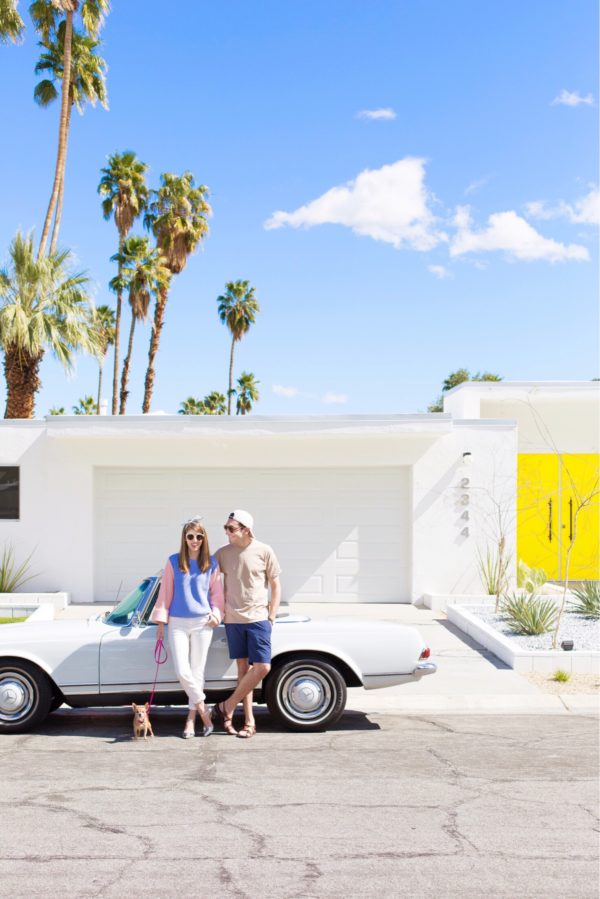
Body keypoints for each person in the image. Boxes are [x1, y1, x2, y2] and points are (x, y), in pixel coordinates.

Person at [151, 516, 224, 738]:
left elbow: (217, 594)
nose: (194, 540)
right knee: (182, 671)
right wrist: (161, 622)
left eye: (199, 536)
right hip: (177, 623)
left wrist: (217, 614)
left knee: (197, 672)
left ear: (204, 539)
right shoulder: (173, 561)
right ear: (184, 538)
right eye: (190, 536)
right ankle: (204, 712)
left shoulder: (211, 564)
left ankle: (191, 719)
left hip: (203, 623)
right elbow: (165, 594)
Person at [212, 509, 281, 739]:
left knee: (262, 667)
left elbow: (275, 584)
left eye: (231, 528)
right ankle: (249, 722)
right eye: (226, 527)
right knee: (242, 670)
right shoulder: (222, 554)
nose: (227, 532)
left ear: (246, 529)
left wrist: (271, 616)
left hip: (259, 619)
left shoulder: (264, 551)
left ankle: (227, 706)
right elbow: (206, 580)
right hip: (233, 620)